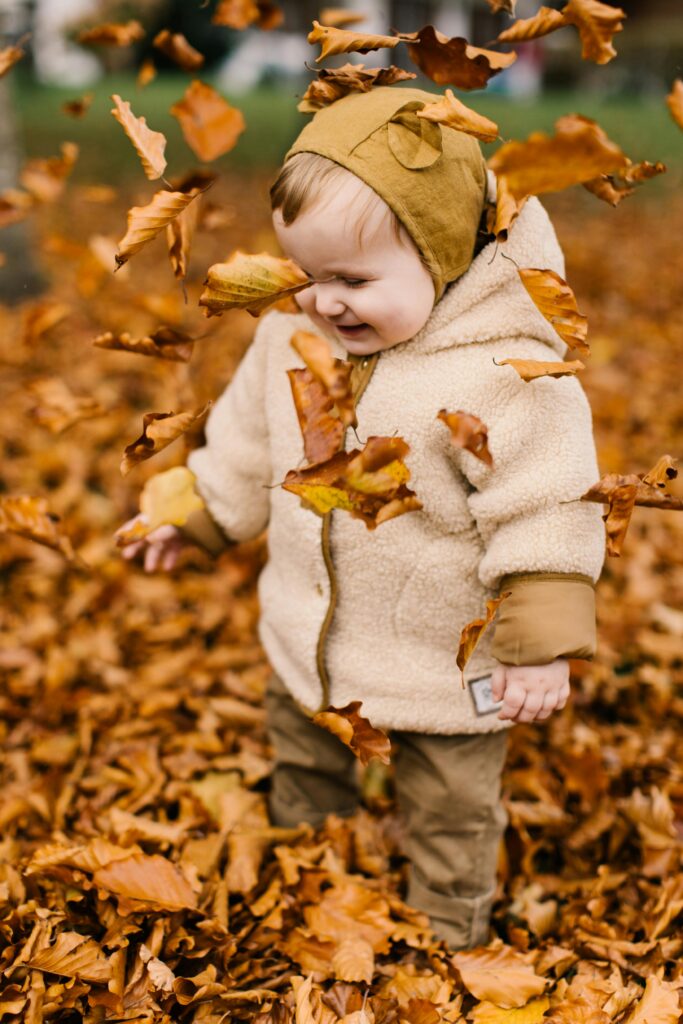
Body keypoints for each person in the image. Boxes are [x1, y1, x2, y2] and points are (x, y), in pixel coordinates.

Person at [120, 87, 605, 949]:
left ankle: (449, 929)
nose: (324, 302)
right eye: (307, 275)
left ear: (444, 255)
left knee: (448, 805)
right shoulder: (290, 343)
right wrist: (192, 517)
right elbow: (241, 445)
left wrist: (542, 635)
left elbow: (546, 501)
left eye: (355, 280)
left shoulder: (504, 375)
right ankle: (311, 873)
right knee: (304, 766)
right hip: (309, 640)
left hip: (442, 662)